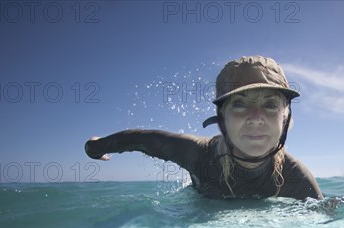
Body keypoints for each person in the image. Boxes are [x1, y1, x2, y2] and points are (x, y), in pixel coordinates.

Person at [84, 55, 323, 201]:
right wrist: (96, 147)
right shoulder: (197, 155)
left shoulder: (295, 178)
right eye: (240, 104)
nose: (256, 117)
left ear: (285, 117)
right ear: (221, 117)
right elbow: (140, 139)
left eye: (270, 105)